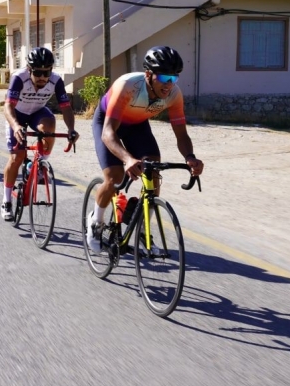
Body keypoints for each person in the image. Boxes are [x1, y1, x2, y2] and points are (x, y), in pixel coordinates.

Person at [86, 45, 204, 253]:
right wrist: (127, 159)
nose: (169, 85)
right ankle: (96, 221)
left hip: (136, 126)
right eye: (164, 78)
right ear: (149, 74)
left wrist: (190, 157)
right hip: (108, 123)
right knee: (114, 177)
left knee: (153, 172)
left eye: (174, 78)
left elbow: (181, 134)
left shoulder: (174, 95)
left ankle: (140, 228)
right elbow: (108, 133)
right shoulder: (127, 86)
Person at [1, 47, 78, 221]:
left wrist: (71, 129)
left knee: (50, 126)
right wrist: (15, 126)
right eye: (38, 72)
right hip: (17, 114)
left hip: (37, 112)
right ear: (29, 70)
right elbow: (8, 106)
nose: (43, 77)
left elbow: (65, 107)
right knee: (17, 157)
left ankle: (40, 162)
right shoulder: (19, 78)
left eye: (46, 72)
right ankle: (6, 200)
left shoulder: (56, 81)